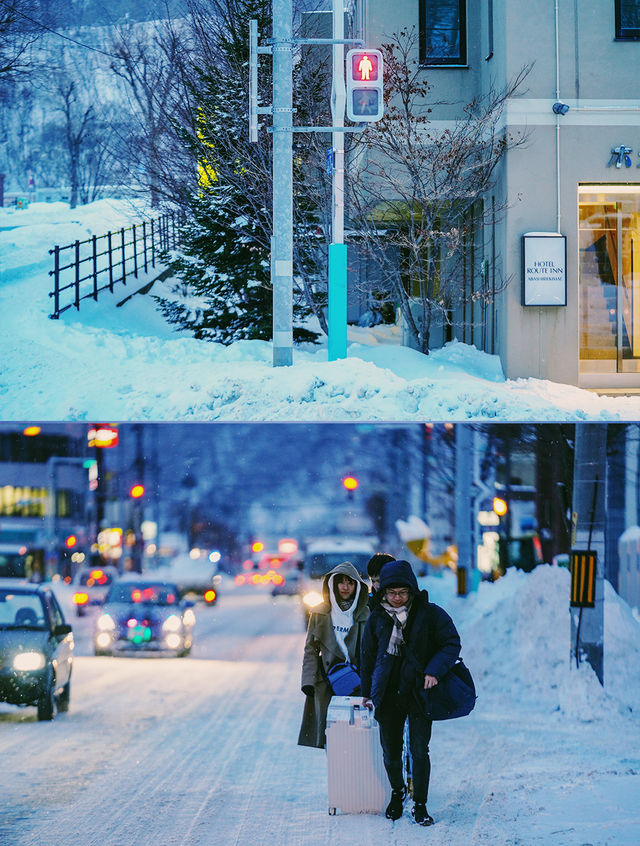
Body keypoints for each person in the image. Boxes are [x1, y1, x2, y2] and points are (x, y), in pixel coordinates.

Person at [360, 559, 461, 826]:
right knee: (390, 751)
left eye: (402, 592)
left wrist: (434, 670)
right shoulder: (377, 618)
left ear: (412, 590)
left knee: (419, 750)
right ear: (382, 593)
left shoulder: (430, 614)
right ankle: (397, 792)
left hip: (419, 692)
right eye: (391, 593)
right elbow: (367, 658)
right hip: (388, 693)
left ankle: (420, 804)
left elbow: (451, 643)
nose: (396, 598)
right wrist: (367, 691)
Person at [297, 561, 370, 749]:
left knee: (359, 737)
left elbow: (371, 652)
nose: (346, 587)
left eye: (350, 582)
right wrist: (308, 682)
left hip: (357, 683)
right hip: (327, 684)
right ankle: (339, 775)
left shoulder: (365, 614)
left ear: (357, 586)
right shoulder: (320, 613)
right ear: (333, 584)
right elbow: (310, 650)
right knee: (332, 738)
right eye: (341, 582)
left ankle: (354, 775)